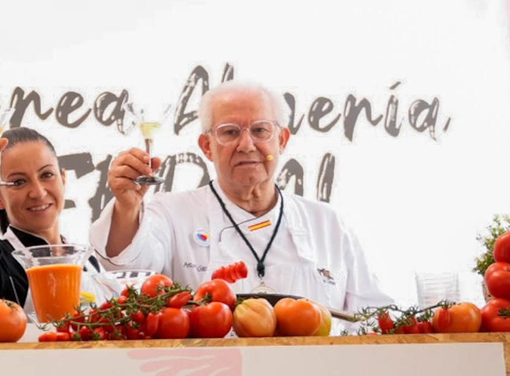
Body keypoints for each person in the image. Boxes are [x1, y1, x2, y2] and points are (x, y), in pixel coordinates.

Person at [88, 80, 392, 311]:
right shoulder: (170, 213)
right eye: (230, 132)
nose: (247, 144)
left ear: (282, 140)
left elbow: (372, 315)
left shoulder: (327, 224)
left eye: (260, 130)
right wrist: (127, 206)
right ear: (207, 146)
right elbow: (125, 268)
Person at [0, 127, 106, 308]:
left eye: (47, 175)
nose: (38, 192)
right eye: (19, 182)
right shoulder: (1, 262)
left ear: (63, 179)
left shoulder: (88, 261)